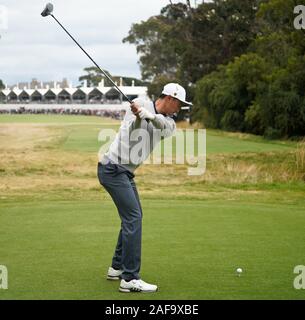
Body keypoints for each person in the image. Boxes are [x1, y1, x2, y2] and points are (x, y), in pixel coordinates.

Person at [97, 83, 192, 293]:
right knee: (133, 218)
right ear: (170, 98)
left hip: (125, 172)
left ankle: (117, 267)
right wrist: (140, 116)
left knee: (134, 215)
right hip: (112, 169)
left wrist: (147, 115)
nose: (179, 109)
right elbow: (133, 134)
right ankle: (129, 278)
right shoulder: (138, 104)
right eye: (179, 104)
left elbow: (161, 126)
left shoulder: (170, 123)